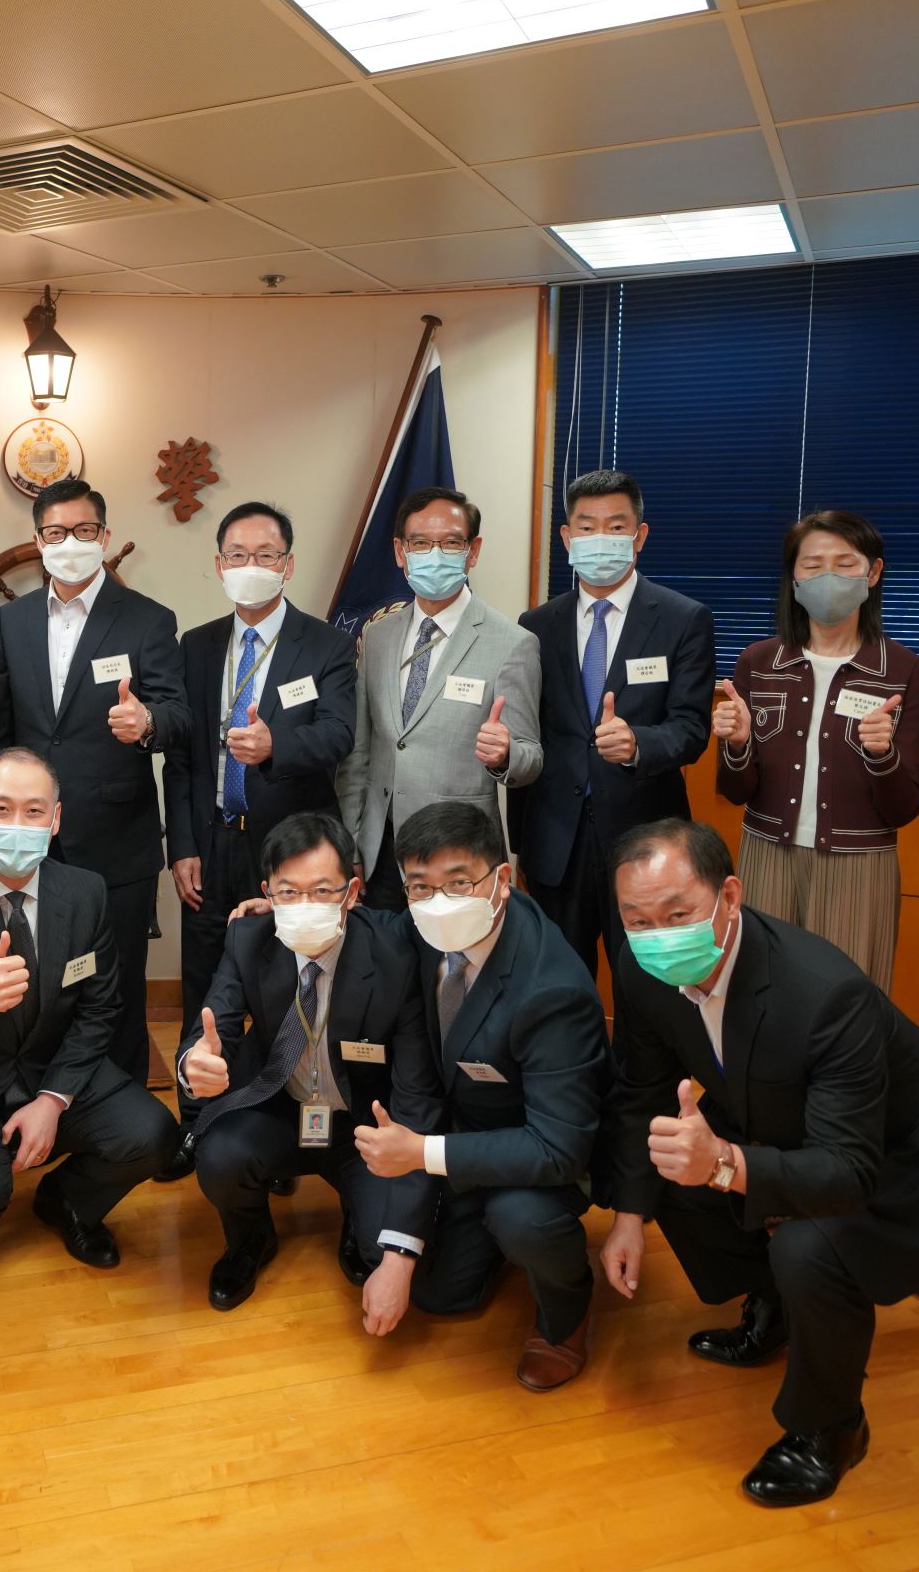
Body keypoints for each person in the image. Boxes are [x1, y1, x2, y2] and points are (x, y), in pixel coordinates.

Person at [598, 819, 919, 1506]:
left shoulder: (824, 992)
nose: (657, 936)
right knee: (663, 1166)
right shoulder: (639, 965)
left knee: (808, 1247)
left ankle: (830, 1427)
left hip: (911, 1155)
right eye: (636, 920)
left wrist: (724, 1162)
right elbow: (639, 1095)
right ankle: (774, 1309)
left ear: (728, 896)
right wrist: (627, 1216)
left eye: (676, 915)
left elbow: (848, 1172)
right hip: (789, 1122)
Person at [0, 747, 181, 1280]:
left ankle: (66, 1200)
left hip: (52, 1069)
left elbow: (100, 1008)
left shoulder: (85, 892)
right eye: (1, 809)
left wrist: (53, 1098)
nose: (17, 825)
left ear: (56, 819)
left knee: (155, 1134)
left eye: (34, 811)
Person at [348, 802, 605, 1392]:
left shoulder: (552, 989)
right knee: (439, 1295)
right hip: (461, 1135)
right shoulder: (423, 931)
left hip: (541, 1150)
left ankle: (566, 1312)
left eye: (459, 883)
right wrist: (282, 910)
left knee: (521, 1219)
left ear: (501, 880)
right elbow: (370, 924)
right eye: (421, 886)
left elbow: (559, 1149)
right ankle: (487, 1239)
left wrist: (421, 1154)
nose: (439, 902)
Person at [178, 812, 437, 1326]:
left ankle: (356, 1217)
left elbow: (416, 1093)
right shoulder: (248, 938)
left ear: (352, 892)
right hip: (280, 1108)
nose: (305, 906)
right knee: (221, 1156)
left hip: (364, 1125)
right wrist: (194, 1064)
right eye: (288, 892)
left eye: (321, 891)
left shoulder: (394, 951)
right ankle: (251, 1239)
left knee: (389, 1253)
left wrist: (400, 1252)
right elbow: (214, 1024)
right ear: (267, 893)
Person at [163, 502, 357, 1161]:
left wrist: (278, 746)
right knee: (203, 984)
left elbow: (339, 734)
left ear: (288, 564)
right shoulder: (196, 645)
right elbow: (182, 758)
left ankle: (286, 1125)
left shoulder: (325, 645)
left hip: (291, 855)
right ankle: (196, 1124)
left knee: (290, 986)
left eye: (266, 555)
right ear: (219, 566)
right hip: (212, 840)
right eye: (238, 556)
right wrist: (182, 845)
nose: (252, 566)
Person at [0, 477, 190, 1085]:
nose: (69, 542)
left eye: (82, 530)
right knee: (34, 980)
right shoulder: (14, 620)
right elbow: (2, 730)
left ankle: (121, 1109)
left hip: (114, 837)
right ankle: (40, 1097)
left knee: (115, 987)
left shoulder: (148, 619)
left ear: (104, 535)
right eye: (55, 532)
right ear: (37, 540)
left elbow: (179, 716)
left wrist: (147, 722)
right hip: (27, 840)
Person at [710, 510, 919, 988]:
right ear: (794, 578)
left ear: (873, 572)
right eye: (812, 565)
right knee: (759, 992)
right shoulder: (759, 662)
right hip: (767, 854)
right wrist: (737, 744)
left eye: (845, 564)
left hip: (859, 865)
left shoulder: (902, 670)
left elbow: (904, 808)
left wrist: (882, 755)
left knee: (846, 999)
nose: (828, 577)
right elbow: (736, 790)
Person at [513, 468, 712, 978]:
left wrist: (638, 743)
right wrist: (519, 845)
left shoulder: (682, 619)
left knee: (649, 987)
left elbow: (691, 728)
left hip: (644, 836)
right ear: (567, 538)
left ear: (639, 536)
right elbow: (530, 733)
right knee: (556, 984)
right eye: (587, 527)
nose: (600, 538)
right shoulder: (535, 626)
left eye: (616, 527)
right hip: (555, 840)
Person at [336, 487, 541, 912]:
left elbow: (531, 756)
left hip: (461, 855)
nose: (434, 554)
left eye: (450, 543)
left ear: (473, 551)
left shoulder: (512, 643)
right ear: (400, 551)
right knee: (383, 954)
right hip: (380, 851)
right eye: (420, 543)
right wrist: (352, 843)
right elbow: (360, 752)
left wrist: (505, 756)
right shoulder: (378, 636)